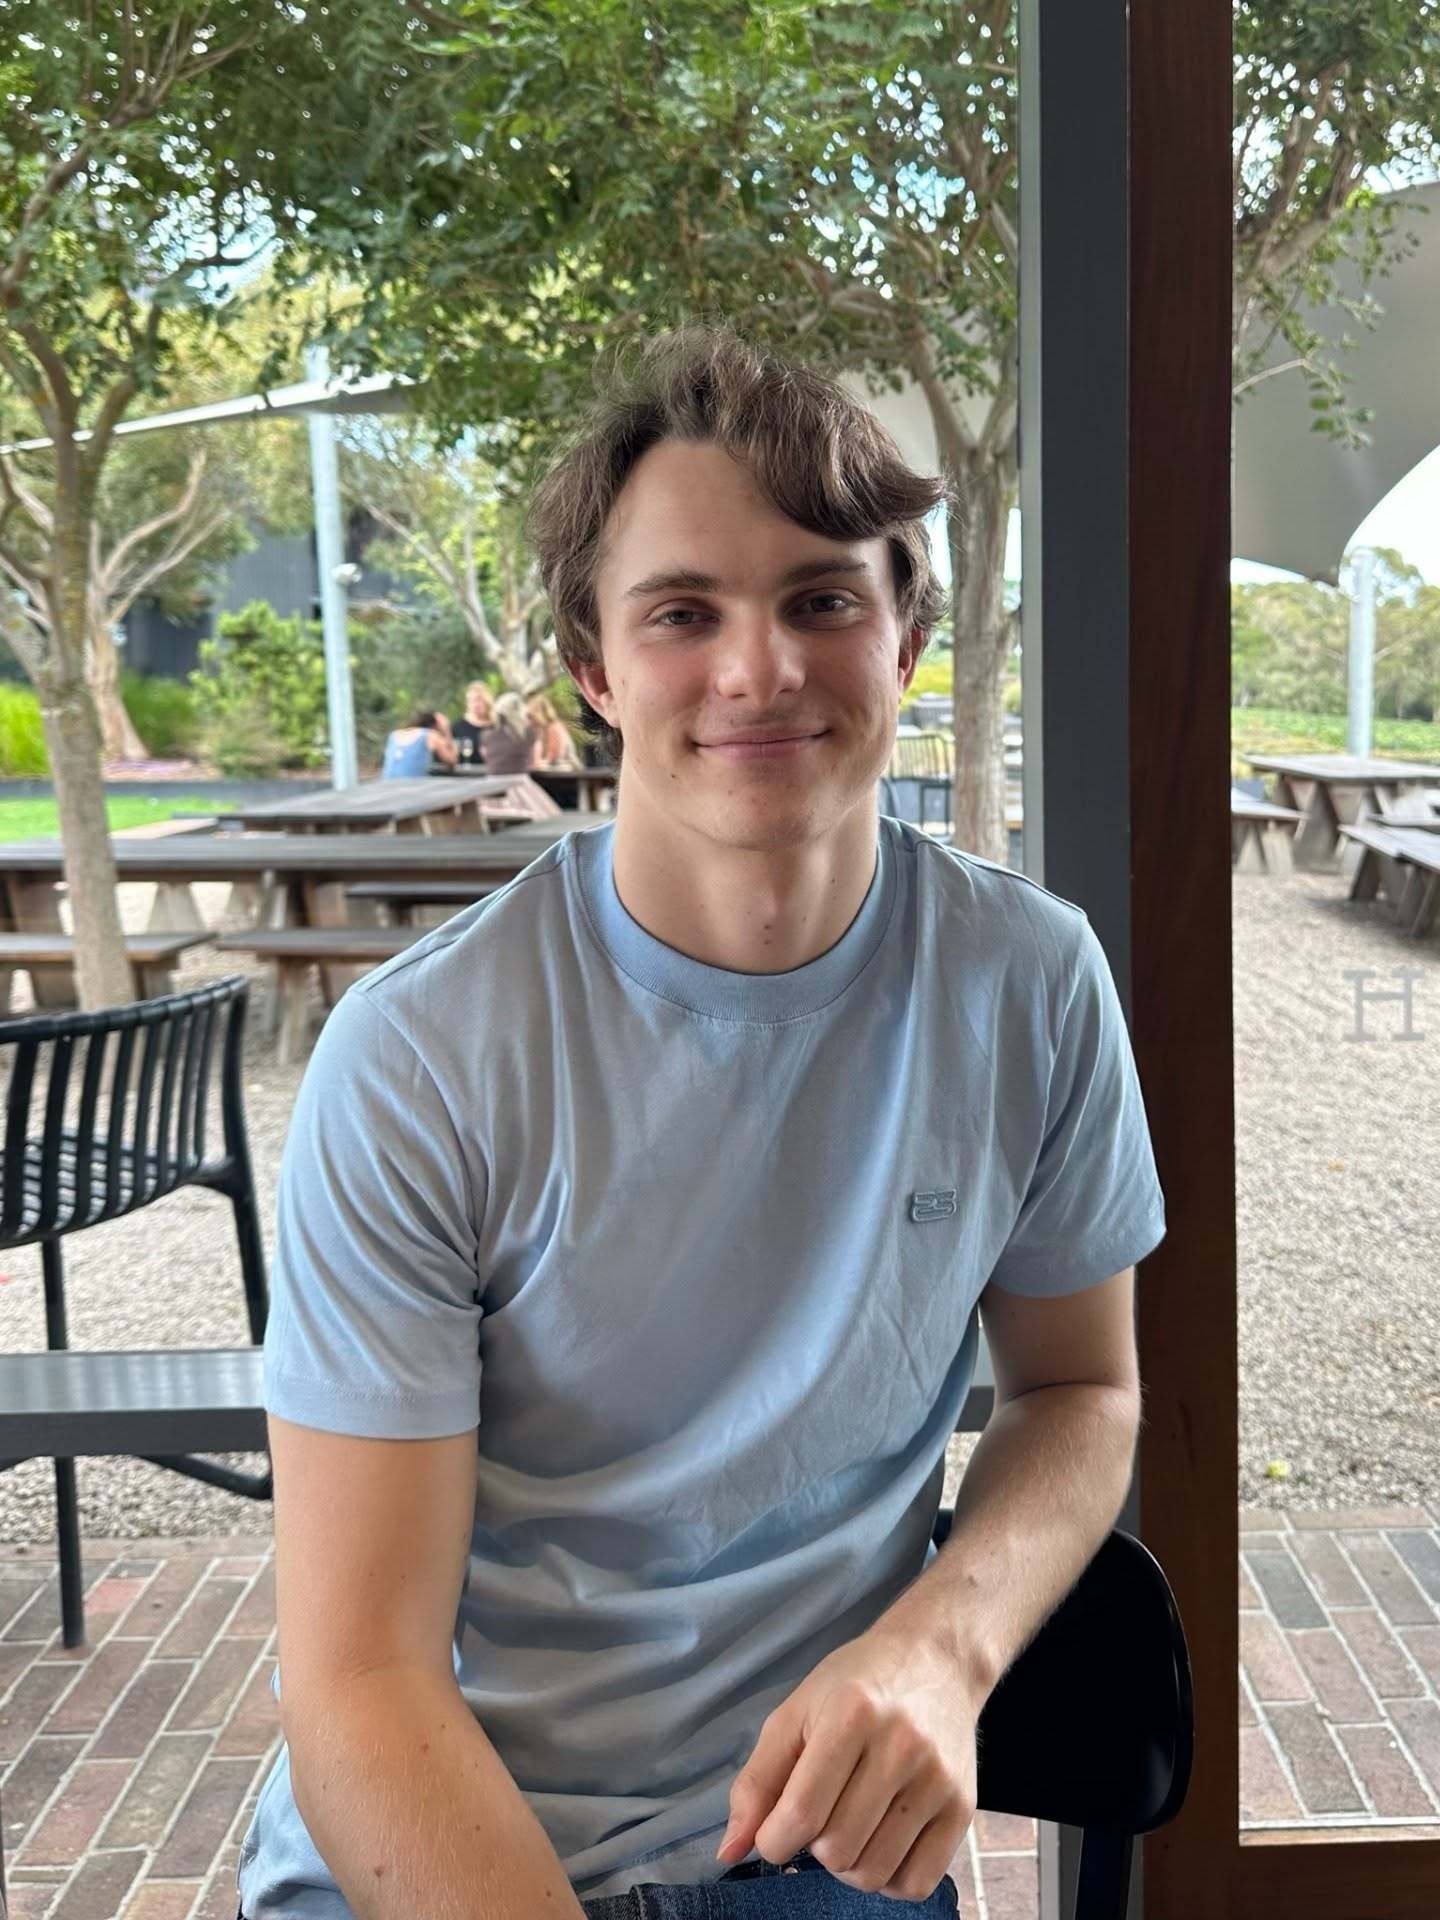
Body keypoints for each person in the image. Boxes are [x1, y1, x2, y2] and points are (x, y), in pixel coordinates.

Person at [238, 324, 1166, 1920]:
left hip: (806, 1843)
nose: (759, 671)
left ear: (907, 636)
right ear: (594, 671)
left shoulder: (1030, 981)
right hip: (441, 1840)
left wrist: (942, 1650)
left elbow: (1082, 1389)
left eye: (823, 600)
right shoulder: (423, 1057)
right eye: (683, 614)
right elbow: (361, 1679)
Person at [379, 708, 457, 778]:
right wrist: (447, 729)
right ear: (436, 724)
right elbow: (451, 762)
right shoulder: (430, 735)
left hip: (387, 785)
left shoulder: (394, 735)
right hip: (414, 786)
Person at [478, 689, 538, 775]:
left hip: (493, 781)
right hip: (519, 780)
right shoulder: (528, 733)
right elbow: (533, 763)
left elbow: (489, 761)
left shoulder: (486, 735)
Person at [526, 691, 583, 769]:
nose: (531, 718)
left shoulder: (554, 727)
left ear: (544, 712)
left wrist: (538, 763)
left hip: (569, 769)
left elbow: (554, 757)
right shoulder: (540, 730)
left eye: (534, 711)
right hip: (554, 768)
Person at [450, 680, 495, 769]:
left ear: (487, 701)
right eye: (471, 700)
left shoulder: (497, 726)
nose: (475, 704)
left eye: (479, 700)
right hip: (465, 774)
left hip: (492, 773)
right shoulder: (457, 727)